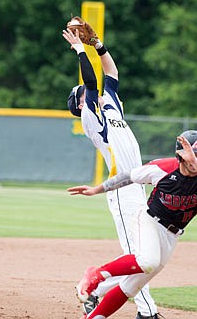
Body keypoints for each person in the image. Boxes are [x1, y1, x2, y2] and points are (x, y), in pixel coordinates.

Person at [68, 130, 197, 319]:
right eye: (192, 154)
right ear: (179, 155)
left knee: (131, 286)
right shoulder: (163, 168)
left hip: (172, 235)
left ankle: (93, 317)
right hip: (149, 220)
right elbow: (128, 176)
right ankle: (97, 273)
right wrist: (96, 190)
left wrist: (195, 161)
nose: (196, 158)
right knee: (147, 261)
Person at [62, 26, 158, 319]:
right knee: (139, 258)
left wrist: (98, 45)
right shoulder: (91, 115)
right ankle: (147, 312)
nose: (91, 93)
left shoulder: (112, 107)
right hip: (120, 193)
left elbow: (111, 74)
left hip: (137, 188)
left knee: (145, 257)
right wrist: (80, 49)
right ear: (81, 104)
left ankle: (94, 289)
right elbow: (91, 81)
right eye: (84, 94)